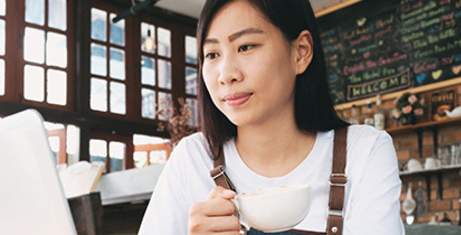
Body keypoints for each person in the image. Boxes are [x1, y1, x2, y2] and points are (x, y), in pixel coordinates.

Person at [138, 0, 404, 234]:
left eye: (245, 46)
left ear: (301, 51)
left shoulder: (364, 152)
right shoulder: (193, 158)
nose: (226, 74)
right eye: (212, 54)